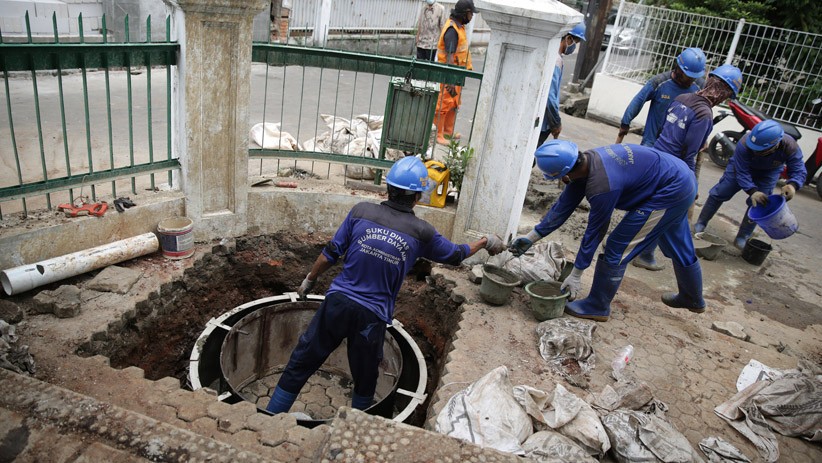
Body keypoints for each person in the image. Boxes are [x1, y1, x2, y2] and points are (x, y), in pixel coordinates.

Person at [266, 156, 505, 414]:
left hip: (337, 304)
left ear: (387, 188)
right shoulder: (422, 232)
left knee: (302, 361)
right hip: (371, 316)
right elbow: (457, 254)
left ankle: (270, 417)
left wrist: (307, 282)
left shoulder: (361, 212)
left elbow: (329, 254)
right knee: (366, 378)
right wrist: (485, 241)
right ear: (417, 197)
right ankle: (359, 427)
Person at [509, 140, 705, 322]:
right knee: (678, 243)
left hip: (671, 190)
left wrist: (576, 274)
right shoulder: (588, 161)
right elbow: (563, 206)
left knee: (617, 246)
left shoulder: (602, 186)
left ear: (565, 174)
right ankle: (692, 298)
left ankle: (597, 305)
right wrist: (532, 237)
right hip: (680, 178)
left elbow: (595, 232)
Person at [632, 63, 742, 271]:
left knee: (646, 206)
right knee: (664, 214)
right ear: (724, 93)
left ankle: (621, 243)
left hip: (656, 157)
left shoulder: (682, 99)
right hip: (672, 169)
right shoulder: (704, 114)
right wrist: (691, 185)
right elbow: (688, 154)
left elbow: (667, 130)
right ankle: (645, 255)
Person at [694, 119, 806, 250]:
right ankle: (701, 222)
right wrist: (752, 191)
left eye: (761, 150)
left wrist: (793, 185)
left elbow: (798, 168)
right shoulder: (744, 143)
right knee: (721, 191)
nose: (756, 152)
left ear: (776, 145)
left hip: (769, 172)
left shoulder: (789, 146)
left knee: (761, 203)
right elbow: (742, 172)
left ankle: (743, 236)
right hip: (740, 168)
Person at [617, 48, 707, 147]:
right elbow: (638, 101)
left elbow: (703, 114)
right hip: (652, 142)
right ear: (679, 69)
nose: (691, 81)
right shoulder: (659, 82)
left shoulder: (700, 88)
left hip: (677, 147)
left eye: (693, 77)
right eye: (688, 76)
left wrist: (703, 137)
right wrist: (625, 122)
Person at [537, 22, 587, 147]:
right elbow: (550, 97)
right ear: (568, 38)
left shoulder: (548, 54)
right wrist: (556, 123)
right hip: (541, 121)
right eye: (576, 42)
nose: (575, 47)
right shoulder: (556, 61)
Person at [435, 0, 477, 145]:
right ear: (465, 13)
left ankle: (447, 133)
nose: (471, 17)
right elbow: (449, 56)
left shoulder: (459, 27)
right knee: (443, 104)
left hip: (457, 74)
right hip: (449, 74)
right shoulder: (452, 30)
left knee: (454, 103)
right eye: (471, 14)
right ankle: (438, 135)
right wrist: (450, 80)